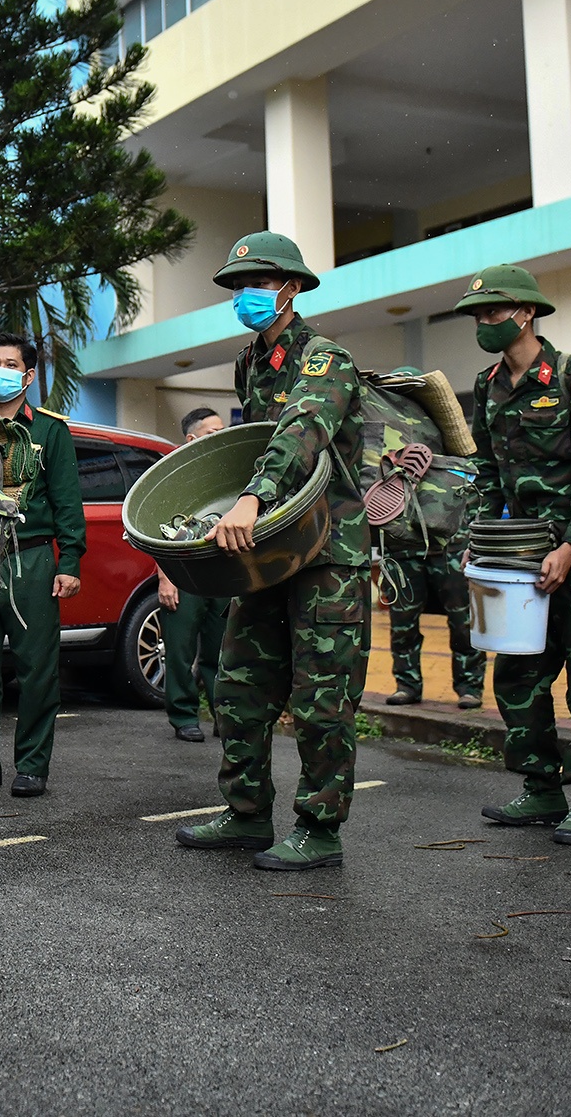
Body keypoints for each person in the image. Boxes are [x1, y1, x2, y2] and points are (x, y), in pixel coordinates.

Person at [176, 232, 369, 872]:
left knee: (322, 698)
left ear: (289, 287)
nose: (244, 296)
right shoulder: (249, 361)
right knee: (237, 686)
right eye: (237, 286)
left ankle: (319, 828)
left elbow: (303, 429)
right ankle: (247, 813)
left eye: (256, 284)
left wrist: (253, 498)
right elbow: (252, 437)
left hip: (328, 551)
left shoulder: (325, 357)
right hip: (269, 549)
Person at [459, 265, 571, 847]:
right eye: (478, 314)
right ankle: (541, 787)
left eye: (494, 312)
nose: (483, 322)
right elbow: (487, 471)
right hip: (522, 552)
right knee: (517, 670)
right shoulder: (487, 386)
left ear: (527, 313)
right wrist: (481, 542)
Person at [0, 334, 85, 796]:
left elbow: (67, 503)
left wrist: (71, 563)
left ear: (27, 376)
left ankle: (32, 766)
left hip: (31, 560)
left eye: (9, 364)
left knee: (37, 668)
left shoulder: (50, 431)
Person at [155, 407, 230, 741]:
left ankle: (222, 715)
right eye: (213, 432)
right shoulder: (173, 476)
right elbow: (155, 531)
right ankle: (184, 716)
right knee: (180, 651)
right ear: (192, 438)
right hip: (184, 575)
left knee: (222, 652)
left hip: (222, 574)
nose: (221, 437)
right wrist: (165, 578)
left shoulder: (226, 472)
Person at [382, 528, 486, 711]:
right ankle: (407, 685)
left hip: (452, 546)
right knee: (402, 625)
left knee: (464, 622)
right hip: (402, 548)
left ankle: (470, 686)